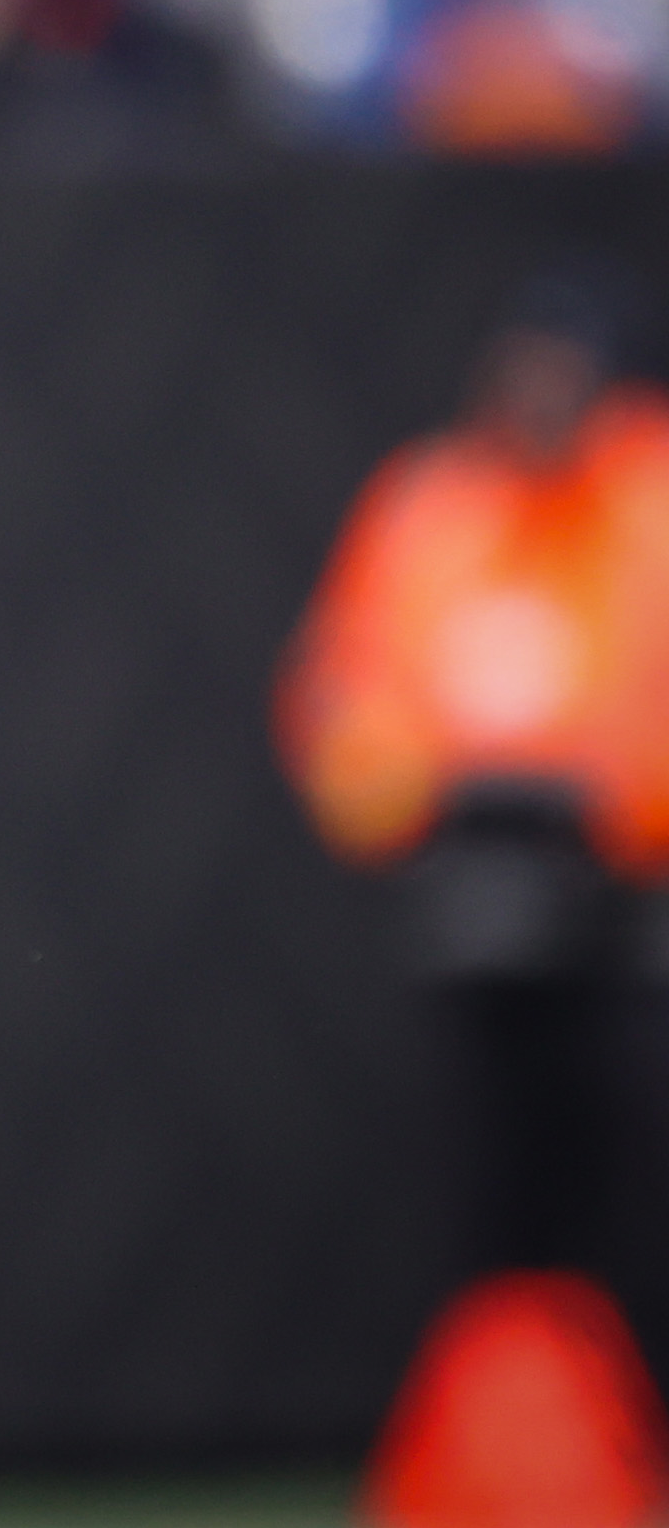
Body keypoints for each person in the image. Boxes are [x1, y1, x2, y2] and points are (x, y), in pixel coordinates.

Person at [278, 275, 669, 1294]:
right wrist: (430, 792)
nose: (540, 391)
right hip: (482, 916)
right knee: (496, 1197)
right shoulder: (431, 505)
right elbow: (343, 697)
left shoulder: (648, 496)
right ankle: (520, 1426)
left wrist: (606, 803)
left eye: (563, 366)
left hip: (639, 918)